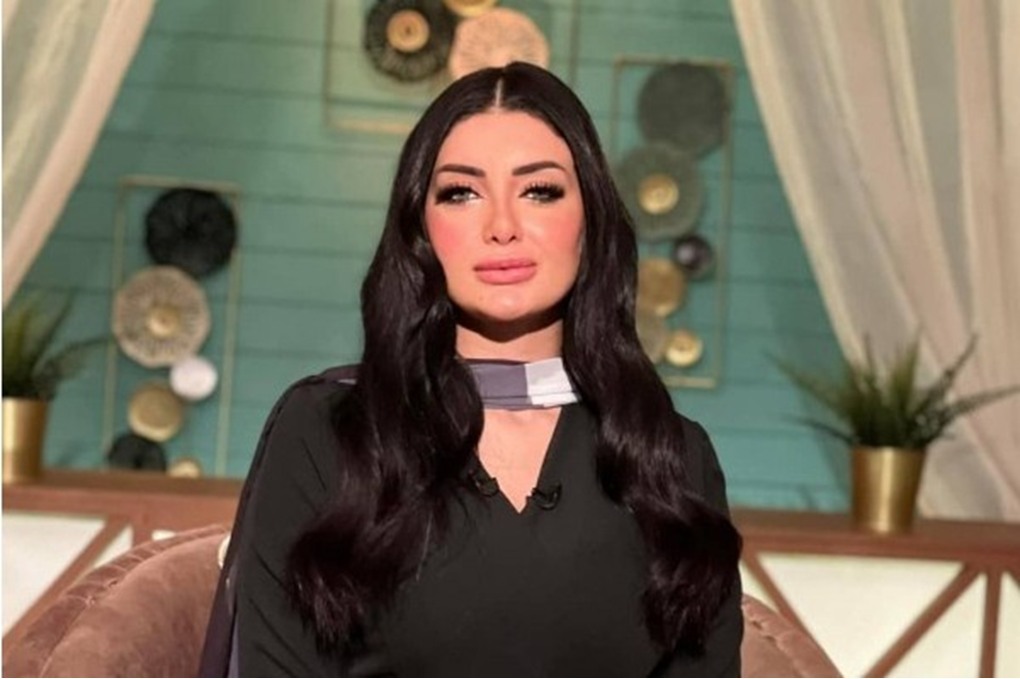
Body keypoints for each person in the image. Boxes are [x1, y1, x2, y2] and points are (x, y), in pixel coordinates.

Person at [200, 61, 743, 677]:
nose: (502, 228)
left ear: (590, 220)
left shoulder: (675, 459)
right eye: (461, 193)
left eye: (539, 190)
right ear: (421, 228)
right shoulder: (327, 431)